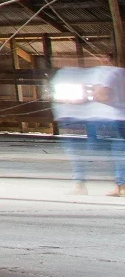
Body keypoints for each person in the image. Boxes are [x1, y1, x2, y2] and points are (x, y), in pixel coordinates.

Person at [51, 63, 125, 194]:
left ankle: (81, 184)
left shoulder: (106, 73)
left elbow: (103, 95)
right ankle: (120, 185)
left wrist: (88, 98)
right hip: (110, 116)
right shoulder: (116, 72)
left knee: (82, 150)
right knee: (117, 150)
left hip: (104, 116)